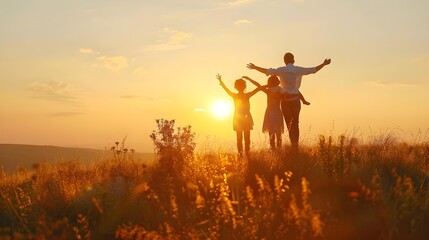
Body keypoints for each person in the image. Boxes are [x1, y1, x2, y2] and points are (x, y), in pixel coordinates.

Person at [247, 52, 331, 151]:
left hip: (285, 102)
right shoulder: (298, 69)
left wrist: (255, 67)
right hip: (295, 100)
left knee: (289, 124)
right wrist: (324, 64)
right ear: (293, 60)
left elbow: (267, 71)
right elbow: (313, 70)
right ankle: (295, 146)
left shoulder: (281, 70)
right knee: (296, 123)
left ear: (284, 60)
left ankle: (293, 144)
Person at [217, 73, 262, 156]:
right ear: (244, 86)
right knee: (247, 138)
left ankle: (241, 155)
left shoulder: (235, 96)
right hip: (246, 117)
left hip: (238, 118)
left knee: (239, 138)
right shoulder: (247, 95)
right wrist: (249, 79)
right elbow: (259, 87)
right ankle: (247, 154)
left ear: (235, 87)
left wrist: (221, 81)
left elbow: (226, 89)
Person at [242, 75, 284, 150]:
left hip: (272, 112)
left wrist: (249, 79)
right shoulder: (278, 90)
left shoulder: (270, 90)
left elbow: (258, 85)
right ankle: (277, 149)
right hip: (275, 112)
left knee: (273, 133)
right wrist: (249, 79)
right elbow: (258, 85)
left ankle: (274, 149)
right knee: (277, 133)